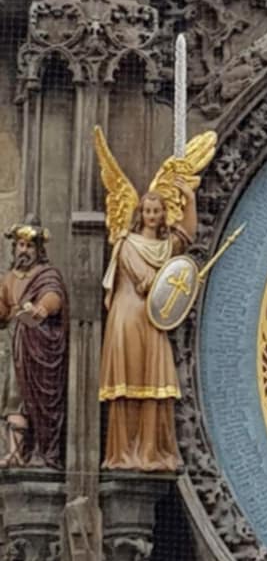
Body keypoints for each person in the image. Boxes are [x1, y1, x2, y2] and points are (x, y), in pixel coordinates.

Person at [99, 180, 196, 472]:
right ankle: (124, 452)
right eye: (148, 211)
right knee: (128, 382)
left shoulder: (165, 246)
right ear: (140, 214)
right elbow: (146, 281)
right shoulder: (127, 245)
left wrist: (189, 199)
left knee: (156, 383)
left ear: (163, 214)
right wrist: (175, 281)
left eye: (157, 211)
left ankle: (151, 451)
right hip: (129, 317)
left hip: (154, 320)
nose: (152, 216)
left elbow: (186, 235)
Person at [0, 223, 69, 468]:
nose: (24, 250)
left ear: (39, 250)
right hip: (15, 347)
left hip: (39, 349)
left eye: (29, 246)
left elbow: (54, 296)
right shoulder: (9, 278)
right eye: (20, 245)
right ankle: (15, 452)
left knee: (36, 402)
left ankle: (41, 451)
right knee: (14, 397)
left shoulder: (46, 274)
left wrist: (42, 308)